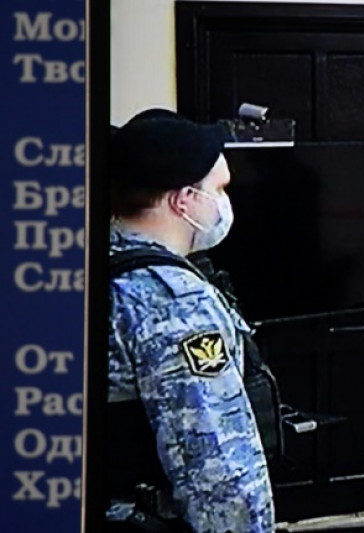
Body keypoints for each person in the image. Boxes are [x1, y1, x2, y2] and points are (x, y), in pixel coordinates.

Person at [107, 108, 275, 532]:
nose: (225, 203)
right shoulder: (174, 303)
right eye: (219, 189)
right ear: (183, 200)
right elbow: (218, 469)